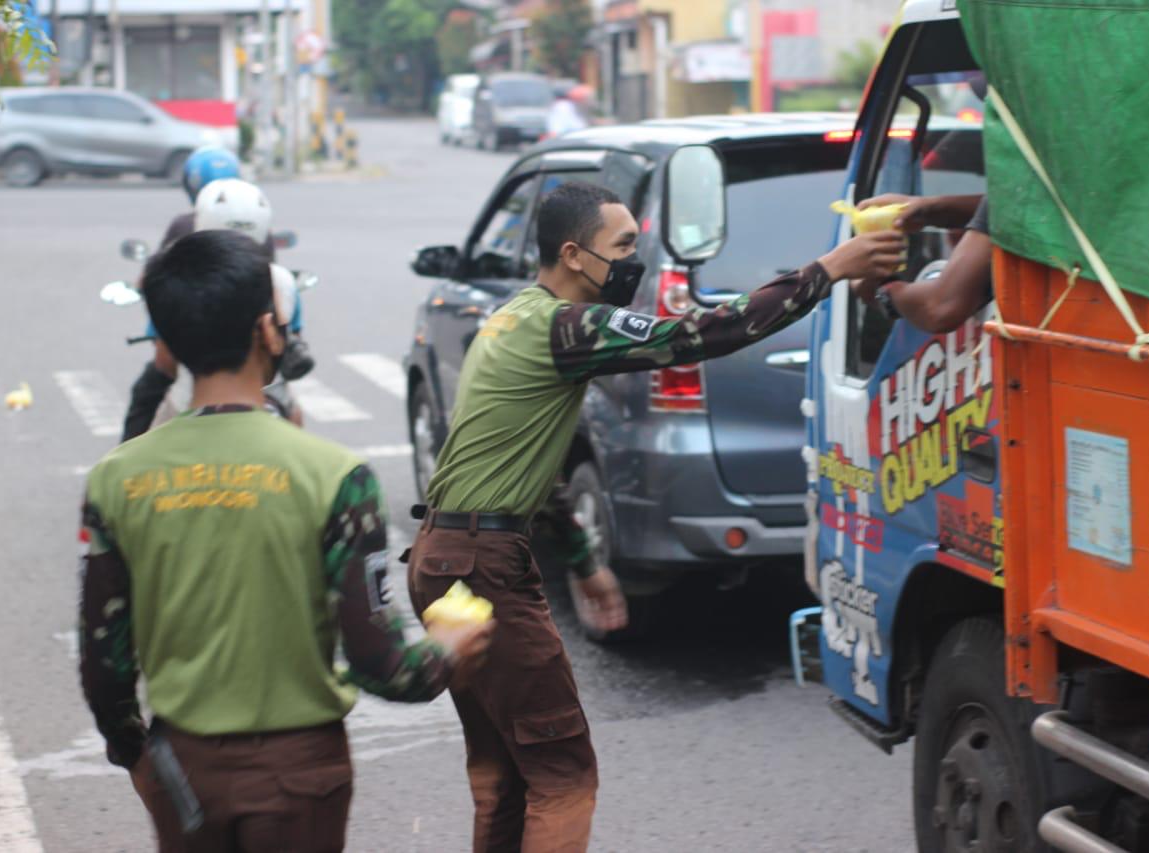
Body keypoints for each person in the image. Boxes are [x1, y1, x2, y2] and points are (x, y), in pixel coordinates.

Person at [408, 181, 905, 852]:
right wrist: (828, 271)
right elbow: (704, 333)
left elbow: (517, 472)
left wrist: (585, 564)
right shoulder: (567, 325)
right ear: (574, 255)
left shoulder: (512, 318)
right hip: (484, 567)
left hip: (447, 559)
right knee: (563, 774)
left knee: (506, 770)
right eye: (622, 248)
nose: (631, 263)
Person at [80, 229, 494, 853]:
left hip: (181, 771)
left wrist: (136, 753)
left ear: (166, 341)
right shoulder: (334, 477)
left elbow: (103, 664)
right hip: (298, 775)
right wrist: (449, 646)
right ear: (268, 331)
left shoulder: (116, 479)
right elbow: (384, 667)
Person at [121, 153, 313, 441]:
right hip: (268, 395)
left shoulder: (182, 277)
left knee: (145, 404)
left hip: (189, 398)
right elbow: (291, 346)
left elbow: (165, 360)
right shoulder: (281, 282)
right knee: (294, 417)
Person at [850, 193, 992, 333]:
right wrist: (928, 209)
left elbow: (939, 310)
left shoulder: (1008, 186)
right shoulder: (1008, 192)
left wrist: (881, 290)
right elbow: (994, 208)